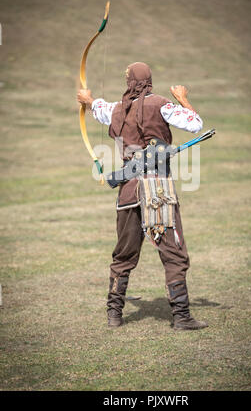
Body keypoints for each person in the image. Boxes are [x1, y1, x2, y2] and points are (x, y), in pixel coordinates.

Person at [77, 62, 208, 331]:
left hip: (128, 191)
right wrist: (182, 98)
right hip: (159, 190)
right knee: (174, 255)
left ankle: (114, 315)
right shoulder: (161, 103)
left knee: (123, 255)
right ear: (148, 81)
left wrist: (87, 99)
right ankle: (181, 317)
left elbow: (96, 107)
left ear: (129, 82)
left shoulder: (116, 109)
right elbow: (195, 124)